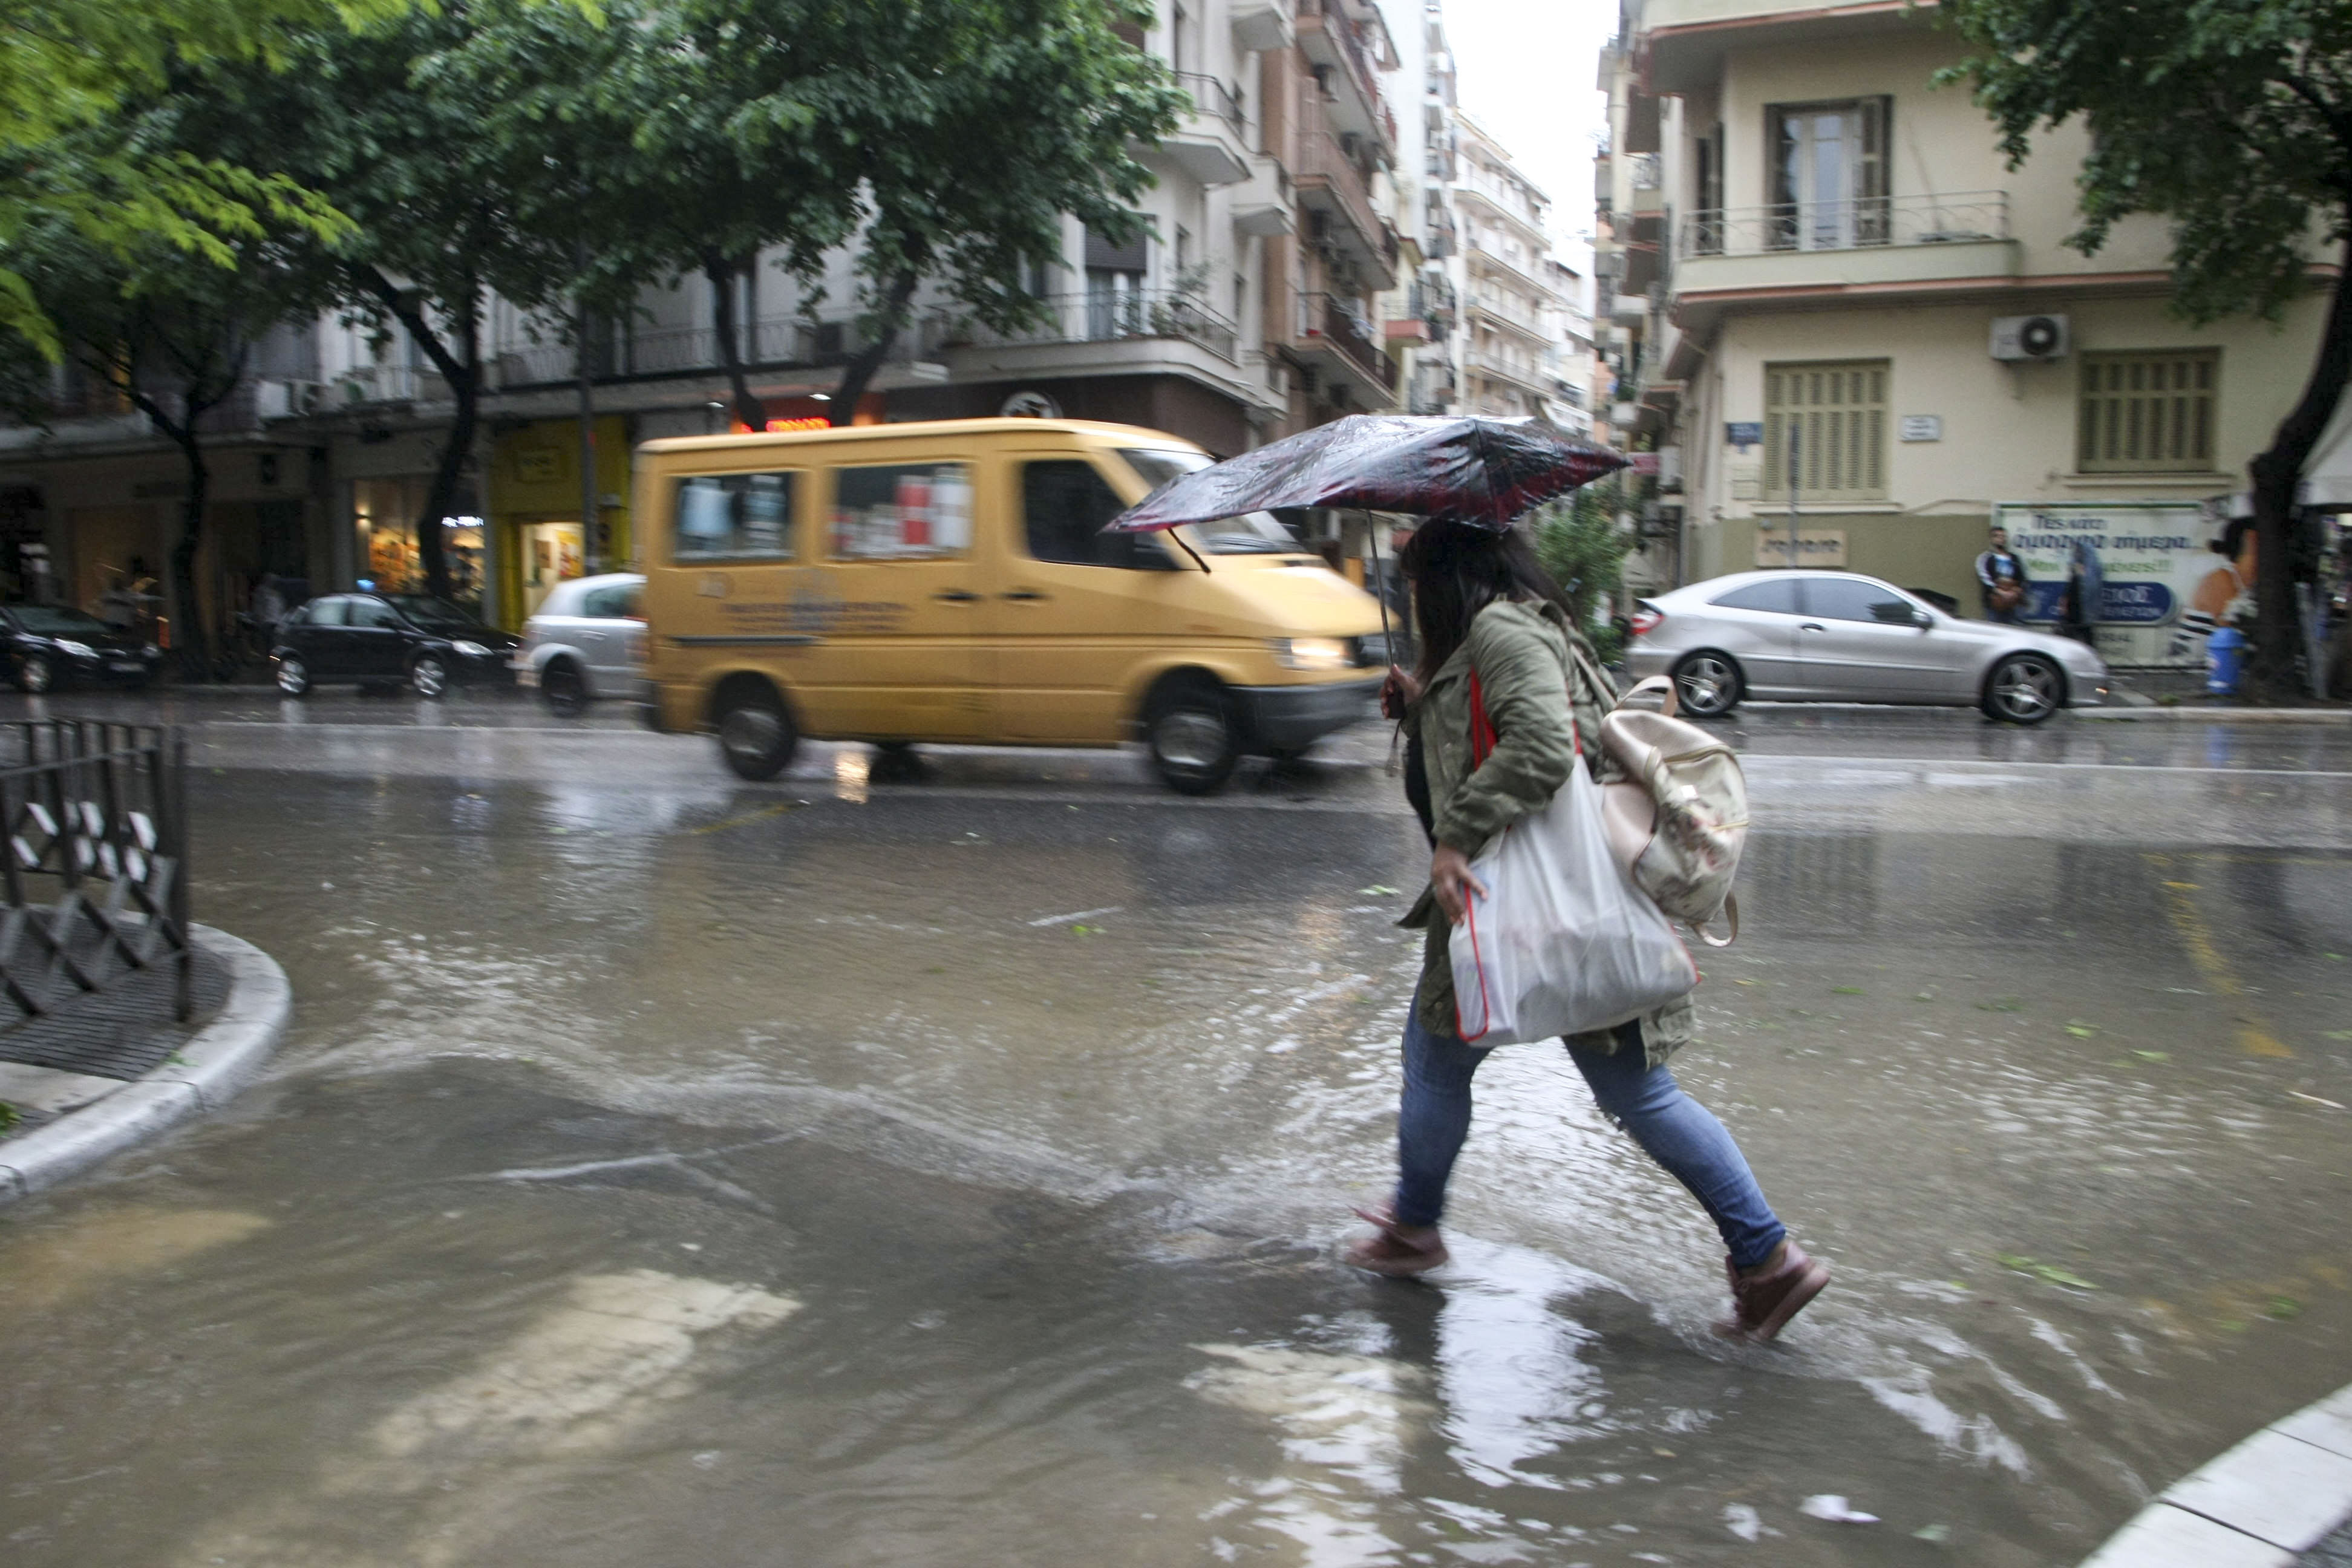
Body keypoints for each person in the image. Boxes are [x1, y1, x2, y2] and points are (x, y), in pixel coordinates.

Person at [1347, 517, 1829, 1344]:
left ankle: (1416, 1230)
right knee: (1615, 1088)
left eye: (1416, 587)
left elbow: (1539, 746)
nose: (1414, 604)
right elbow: (1509, 727)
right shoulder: (1519, 628)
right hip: (1556, 903)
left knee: (1448, 1062)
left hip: (1529, 900)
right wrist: (1425, 705)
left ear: (1442, 583)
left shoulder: (1501, 630)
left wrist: (1457, 836)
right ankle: (1763, 1260)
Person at [1976, 527, 2027, 623]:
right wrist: (2001, 593)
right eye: (1997, 536)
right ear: (1992, 539)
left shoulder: (2014, 558)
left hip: (2013, 603)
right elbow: (1985, 579)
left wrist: (2015, 591)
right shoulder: (1985, 558)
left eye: (2003, 536)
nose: (2001, 539)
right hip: (1994, 603)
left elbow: (2022, 578)